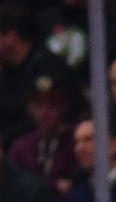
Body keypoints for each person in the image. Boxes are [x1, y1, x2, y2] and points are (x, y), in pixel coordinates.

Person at [0, 2, 80, 146]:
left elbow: (45, 117)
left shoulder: (47, 66)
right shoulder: (6, 71)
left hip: (53, 145)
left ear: (11, 36)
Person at [7, 75, 78, 201]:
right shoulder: (21, 147)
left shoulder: (77, 141)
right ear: (29, 107)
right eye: (38, 103)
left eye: (52, 102)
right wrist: (54, 184)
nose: (45, 110)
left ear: (64, 105)